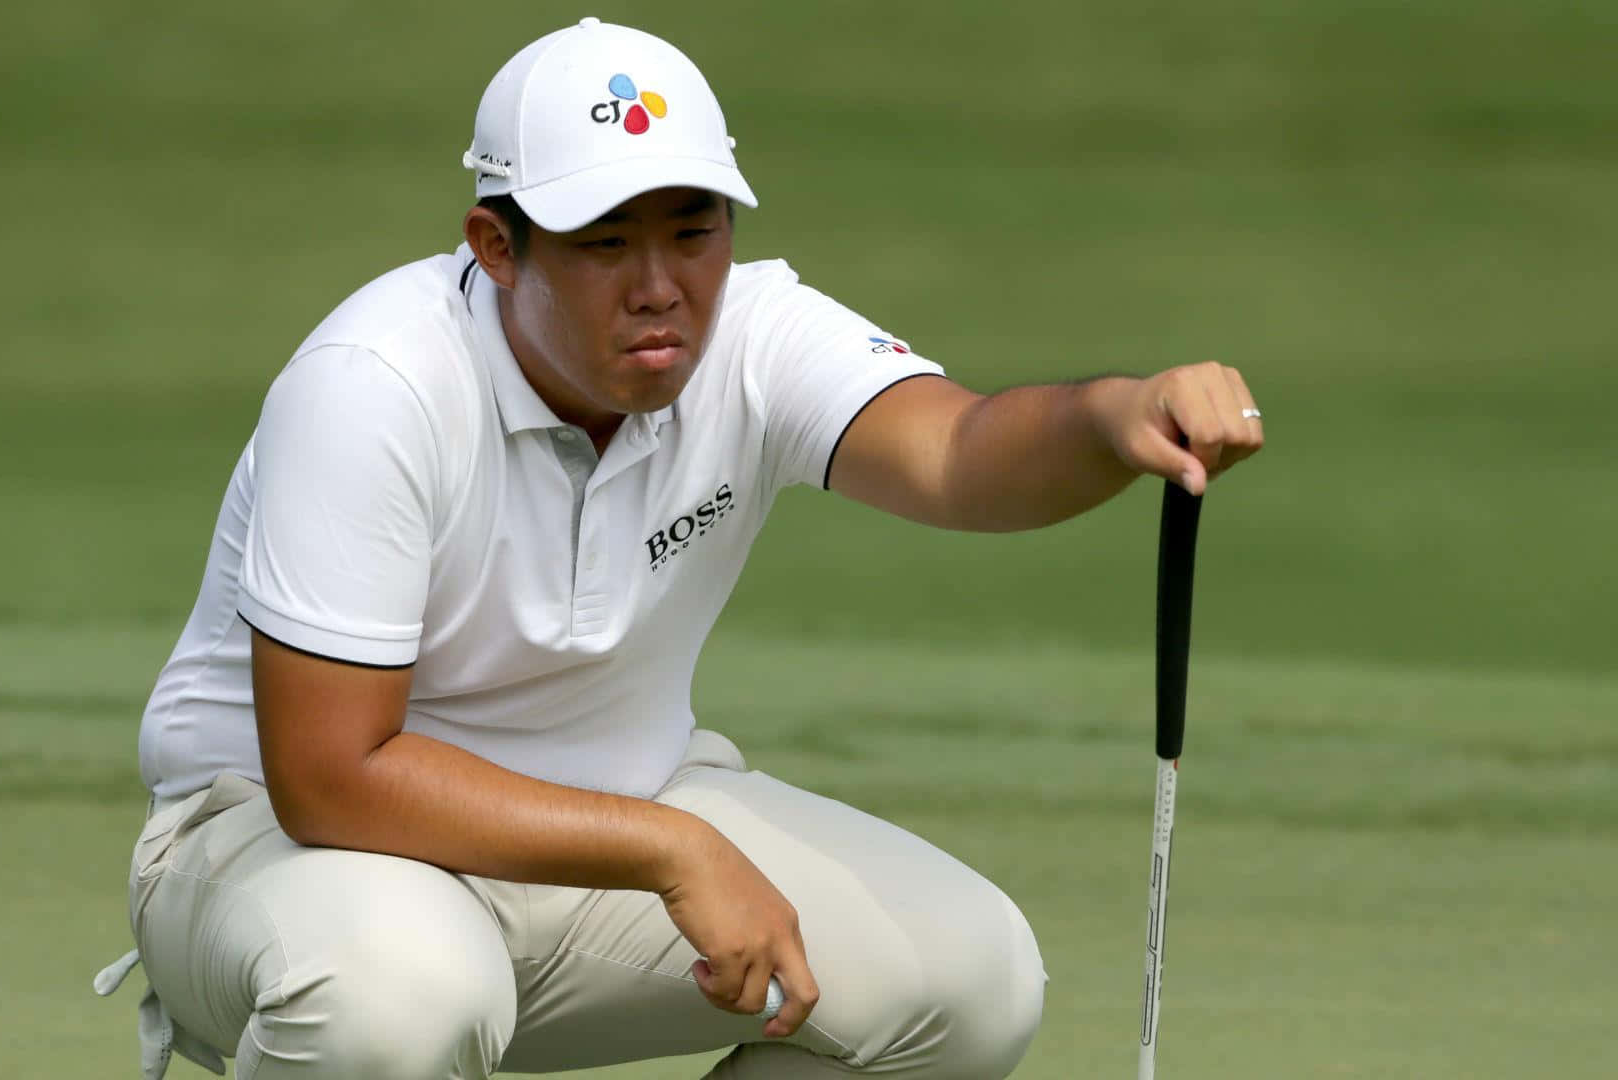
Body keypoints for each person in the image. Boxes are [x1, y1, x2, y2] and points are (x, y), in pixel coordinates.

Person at [94, 16, 1264, 1080]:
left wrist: (1112, 415)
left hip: (608, 828)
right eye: (605, 242)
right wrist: (670, 849)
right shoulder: (376, 385)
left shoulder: (757, 333)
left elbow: (959, 454)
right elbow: (329, 777)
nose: (661, 288)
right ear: (496, 246)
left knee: (971, 982)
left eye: (693, 232)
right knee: (397, 1001)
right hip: (272, 853)